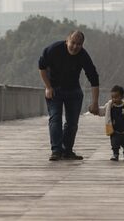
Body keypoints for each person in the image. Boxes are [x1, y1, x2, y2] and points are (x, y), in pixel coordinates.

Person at [38, 30, 100, 161]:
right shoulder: (54, 49)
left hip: (73, 90)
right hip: (54, 89)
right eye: (73, 43)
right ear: (67, 41)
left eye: (79, 44)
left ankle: (67, 151)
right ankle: (56, 151)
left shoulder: (83, 55)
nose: (75, 47)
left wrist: (95, 103)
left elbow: (94, 78)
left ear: (82, 45)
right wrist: (48, 87)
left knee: (72, 123)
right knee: (55, 118)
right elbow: (41, 67)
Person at [99, 85, 124, 161]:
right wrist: (95, 110)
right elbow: (103, 111)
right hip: (115, 129)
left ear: (122, 96)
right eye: (112, 97)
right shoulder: (110, 106)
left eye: (116, 97)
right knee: (114, 143)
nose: (114, 99)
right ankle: (115, 154)